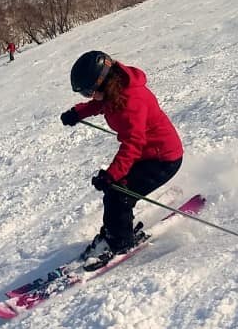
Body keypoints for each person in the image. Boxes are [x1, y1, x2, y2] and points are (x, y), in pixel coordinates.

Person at [60, 50, 183, 268]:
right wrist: (78, 113)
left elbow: (132, 145)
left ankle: (120, 243)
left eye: (89, 91)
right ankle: (114, 232)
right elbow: (101, 104)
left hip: (163, 158)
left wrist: (111, 175)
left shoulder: (131, 102)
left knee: (119, 194)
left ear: (103, 82)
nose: (88, 97)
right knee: (116, 192)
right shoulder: (114, 90)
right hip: (149, 153)